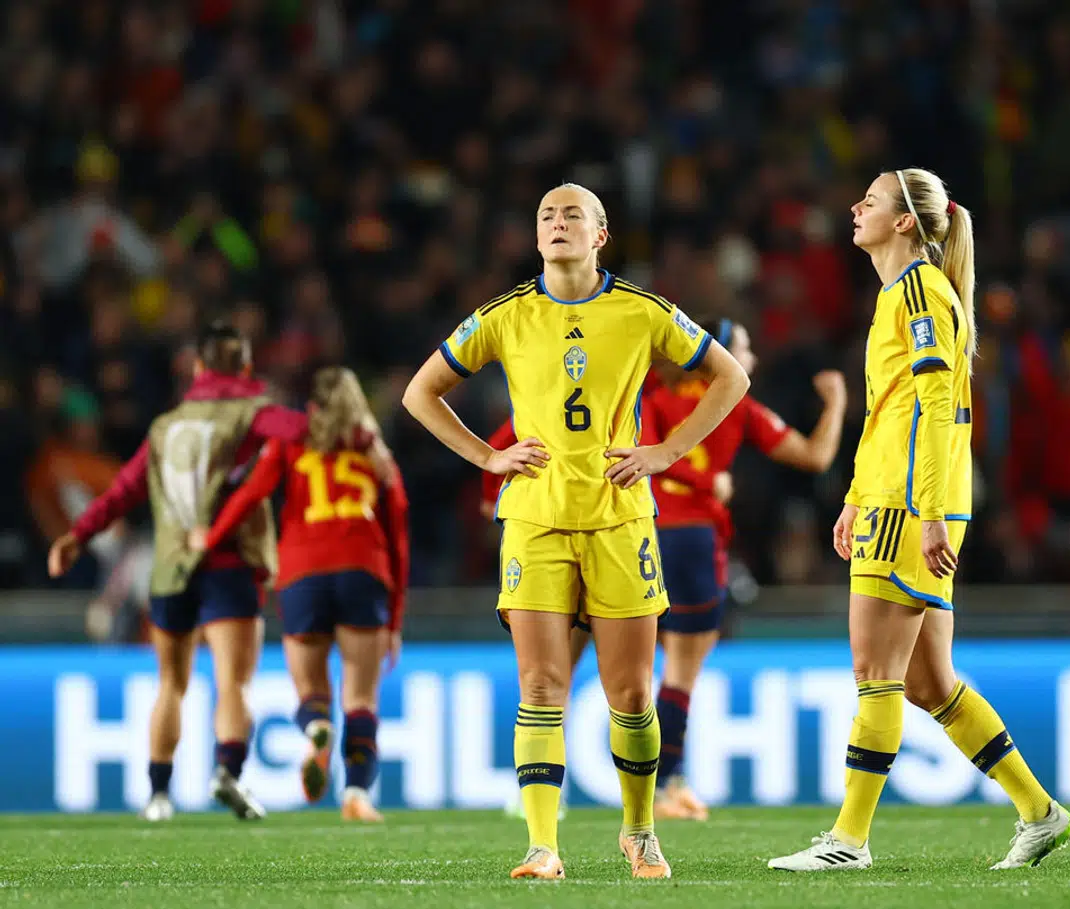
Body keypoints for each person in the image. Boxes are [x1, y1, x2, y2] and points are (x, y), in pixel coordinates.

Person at [402, 183, 749, 881]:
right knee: (540, 682)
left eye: (573, 216)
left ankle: (641, 830)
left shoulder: (643, 310)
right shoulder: (504, 314)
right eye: (546, 217)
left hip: (622, 518)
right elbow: (419, 392)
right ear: (536, 239)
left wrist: (664, 452)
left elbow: (730, 376)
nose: (558, 224)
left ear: (600, 235)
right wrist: (487, 456)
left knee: (631, 693)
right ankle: (541, 845)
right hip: (533, 517)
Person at [769, 169, 1070, 873]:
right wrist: (853, 492)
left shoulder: (918, 292)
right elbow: (892, 413)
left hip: (911, 506)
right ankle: (1041, 812)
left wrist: (928, 510)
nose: (855, 206)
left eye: (871, 200)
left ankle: (849, 839)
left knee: (874, 669)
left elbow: (939, 410)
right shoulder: (900, 295)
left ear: (905, 221)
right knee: (928, 682)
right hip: (893, 497)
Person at [483, 320, 848, 822]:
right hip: (684, 540)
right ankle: (666, 786)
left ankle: (535, 786)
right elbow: (815, 456)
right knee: (671, 677)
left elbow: (523, 430)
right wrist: (836, 403)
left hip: (620, 533)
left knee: (557, 670)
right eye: (743, 350)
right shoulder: (737, 404)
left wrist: (492, 490)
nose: (751, 361)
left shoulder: (644, 395)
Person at [48, 322, 394, 823]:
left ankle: (158, 795)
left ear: (199, 368)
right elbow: (306, 431)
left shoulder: (165, 427)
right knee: (233, 682)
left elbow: (124, 489)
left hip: (170, 568)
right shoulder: (254, 413)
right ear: (247, 367)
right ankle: (228, 773)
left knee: (170, 682)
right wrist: (363, 437)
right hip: (230, 566)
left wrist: (77, 535)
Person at [191, 367, 408, 822]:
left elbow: (250, 494)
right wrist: (394, 618)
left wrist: (208, 540)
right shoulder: (374, 451)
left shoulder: (291, 441)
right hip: (362, 571)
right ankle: (356, 795)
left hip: (302, 573)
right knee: (362, 698)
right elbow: (398, 530)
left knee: (311, 690)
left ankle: (316, 728)